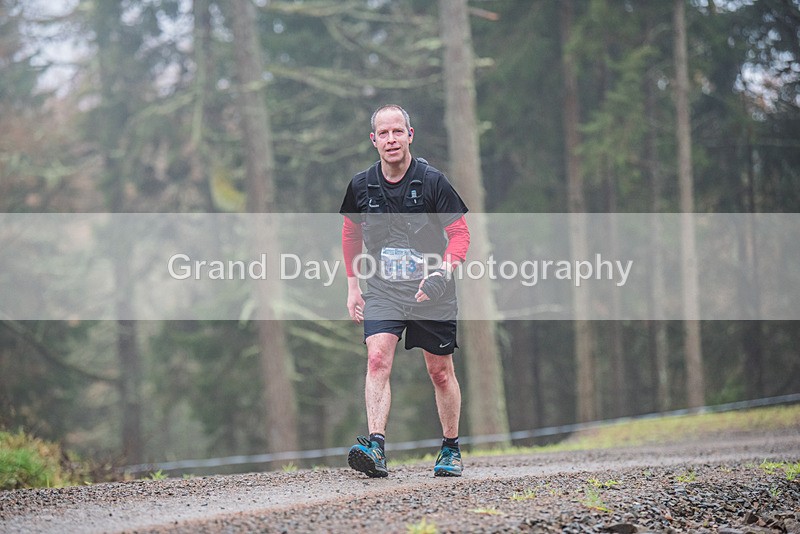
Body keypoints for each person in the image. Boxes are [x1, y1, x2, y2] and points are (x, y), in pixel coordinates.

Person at [339, 104, 471, 478]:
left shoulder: (432, 181)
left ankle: (450, 448)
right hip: (382, 288)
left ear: (410, 135)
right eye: (384, 133)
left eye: (398, 131)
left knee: (440, 371)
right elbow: (351, 233)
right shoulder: (361, 186)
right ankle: (376, 446)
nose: (391, 139)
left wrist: (442, 273)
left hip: (432, 290)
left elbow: (460, 234)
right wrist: (353, 286)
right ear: (373, 140)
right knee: (377, 357)